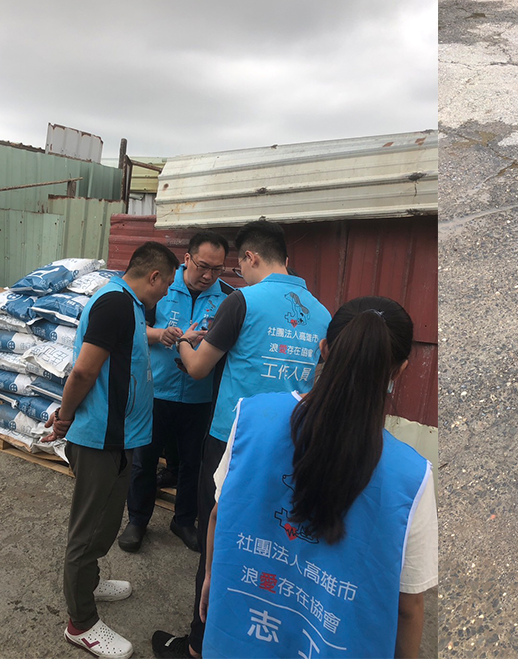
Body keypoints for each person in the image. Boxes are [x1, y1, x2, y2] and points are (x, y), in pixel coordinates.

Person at [199, 297, 438, 658]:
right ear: (399, 370)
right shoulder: (412, 476)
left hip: (243, 632)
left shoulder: (252, 416)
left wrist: (211, 580)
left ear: (323, 349)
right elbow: (407, 605)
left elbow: (221, 514)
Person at [151, 220, 330, 659]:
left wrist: (181, 343)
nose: (238, 275)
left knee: (220, 542)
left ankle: (198, 644)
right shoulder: (323, 314)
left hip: (235, 439)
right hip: (293, 443)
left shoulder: (242, 303)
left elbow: (197, 369)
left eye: (239, 265)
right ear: (286, 259)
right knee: (268, 545)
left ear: (250, 257)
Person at [41, 242, 179, 659]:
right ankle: (80, 623)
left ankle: (92, 582)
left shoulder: (130, 305)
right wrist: (63, 417)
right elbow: (84, 369)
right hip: (100, 437)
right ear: (153, 276)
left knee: (105, 522)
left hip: (120, 437)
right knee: (86, 532)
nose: (165, 294)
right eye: (166, 285)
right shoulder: (116, 304)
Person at [119, 231, 233, 553]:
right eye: (202, 266)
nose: (208, 275)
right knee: (145, 459)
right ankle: (137, 520)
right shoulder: (162, 289)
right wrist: (159, 334)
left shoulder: (228, 299)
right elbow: (133, 325)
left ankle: (184, 520)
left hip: (199, 398)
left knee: (192, 465)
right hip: (156, 392)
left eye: (217, 269)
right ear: (187, 260)